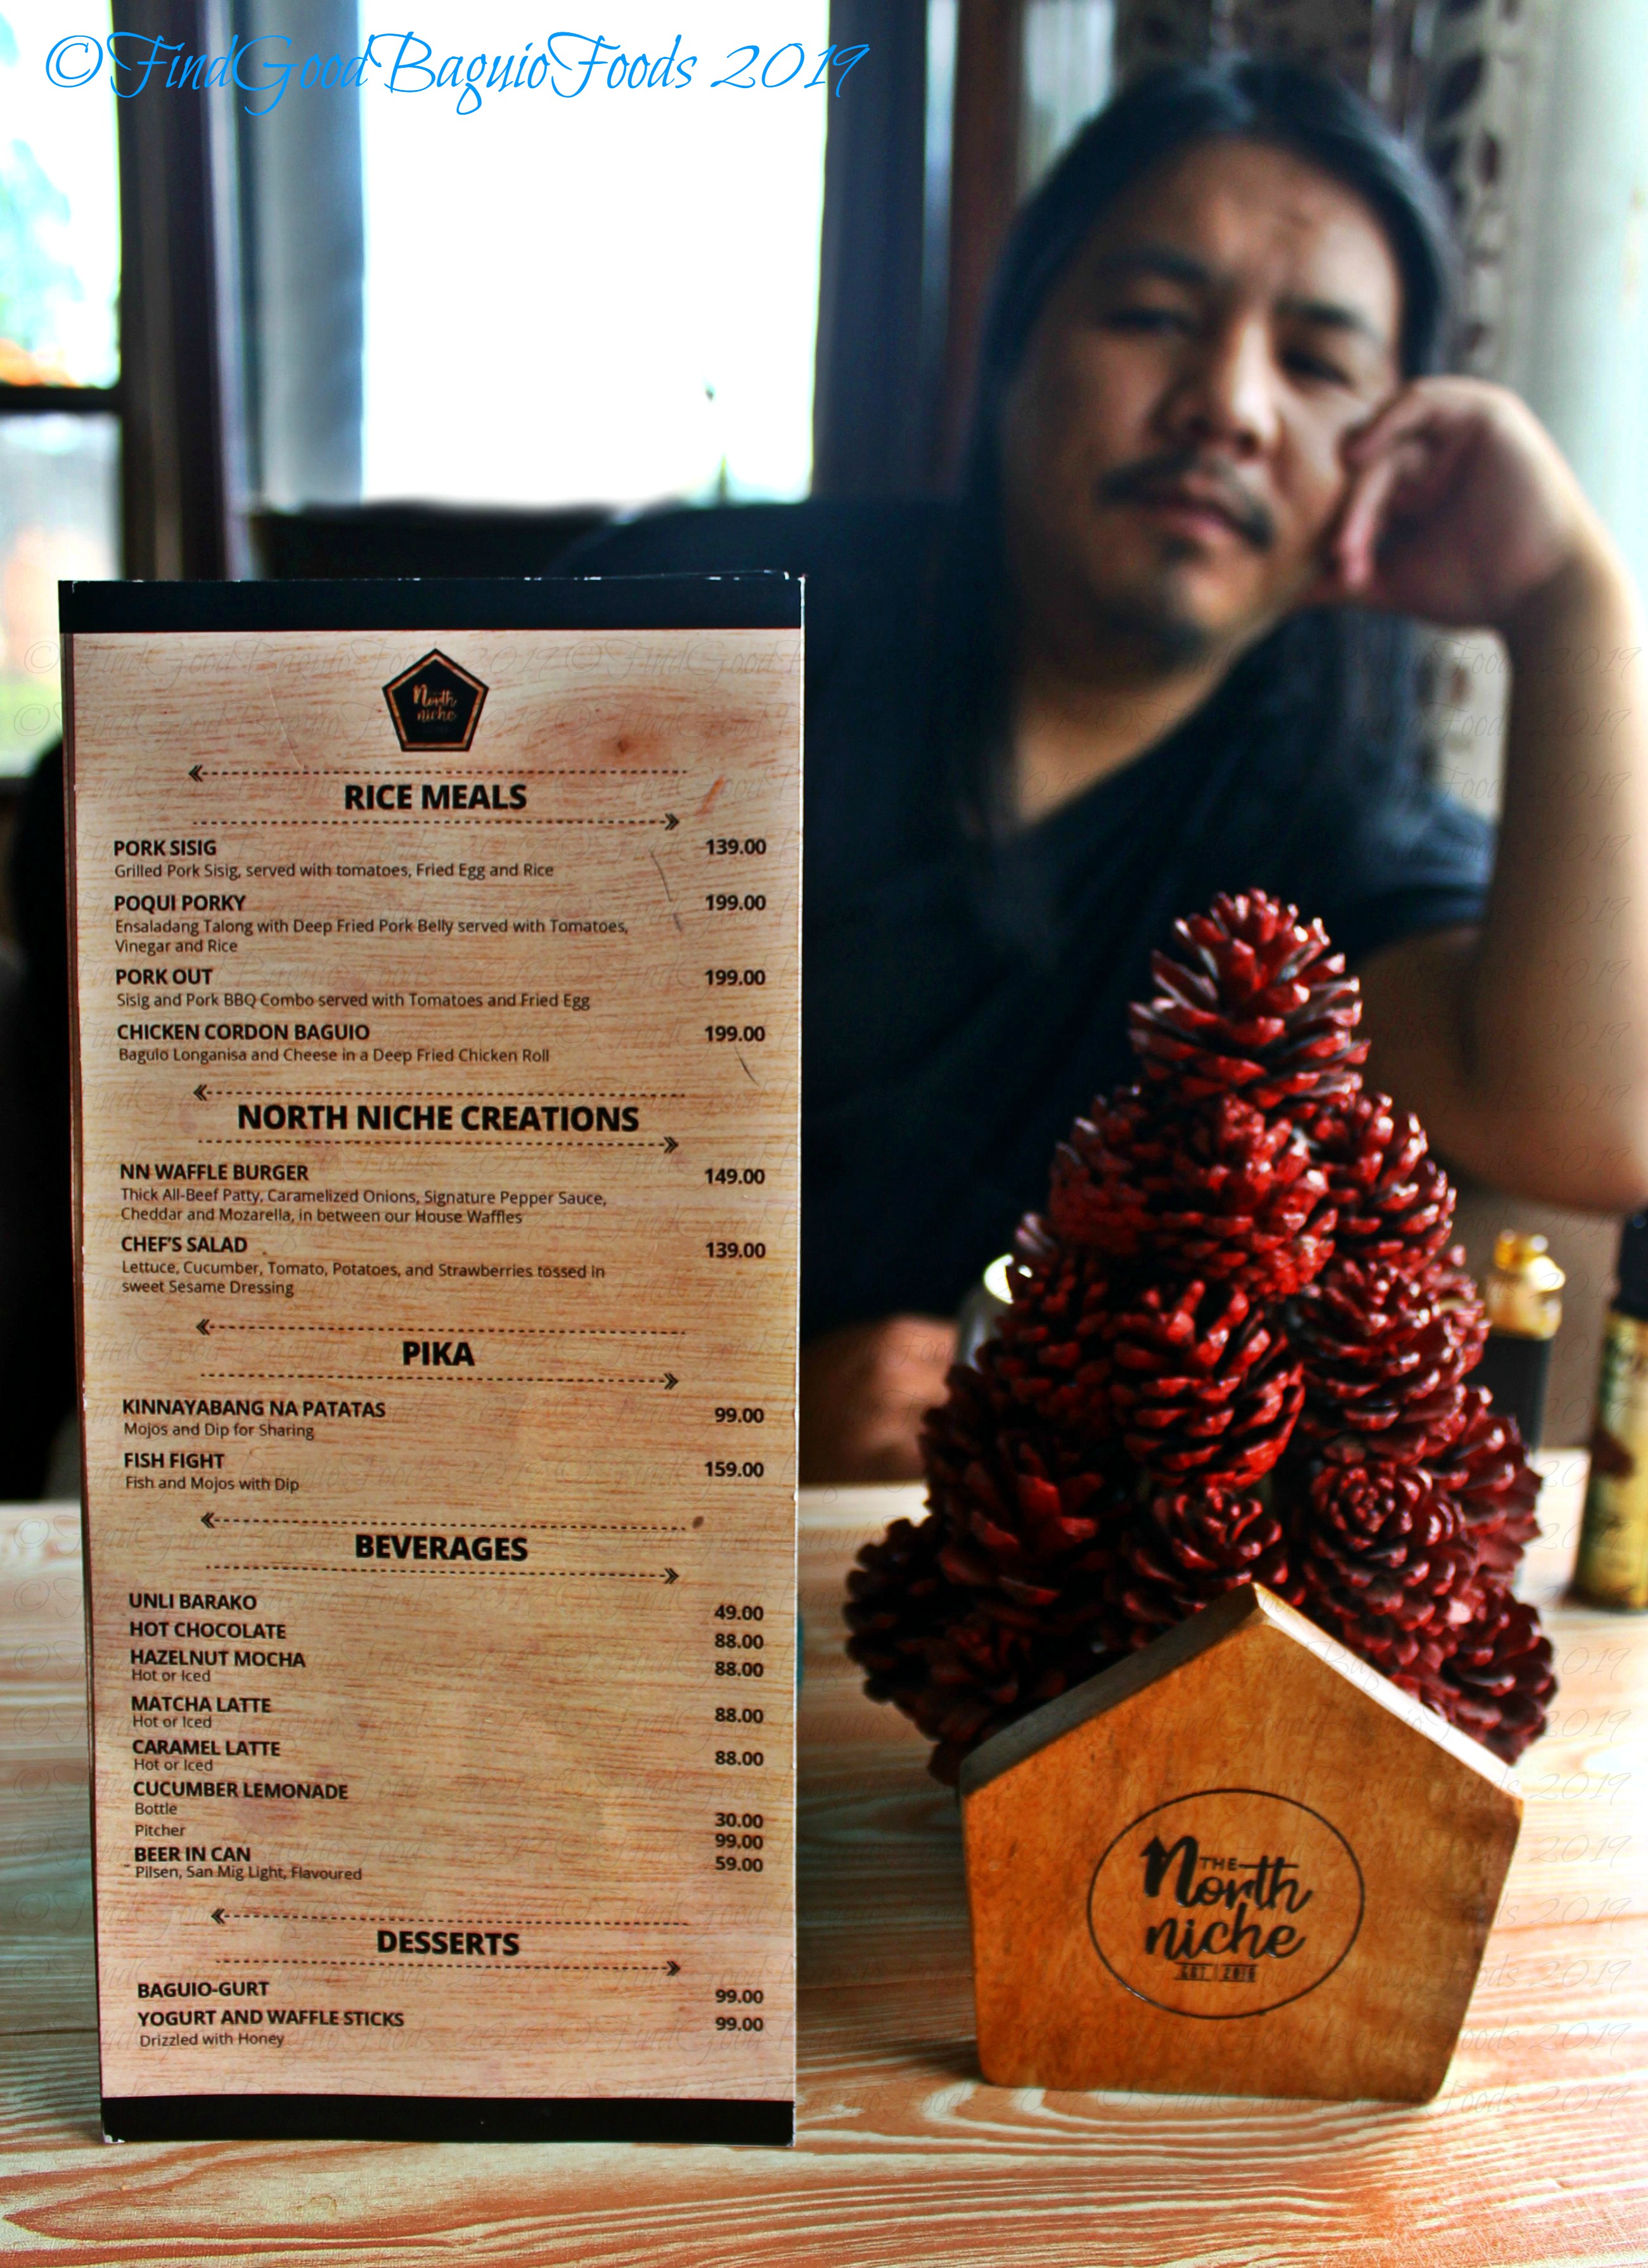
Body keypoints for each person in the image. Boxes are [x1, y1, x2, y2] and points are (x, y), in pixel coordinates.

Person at [566, 58, 1648, 1485]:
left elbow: (1597, 1126)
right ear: (1013, 343)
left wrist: (1567, 599)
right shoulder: (687, 635)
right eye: (1153, 317)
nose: (1228, 404)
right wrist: (718, 1411)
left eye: (1317, 365)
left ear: (1380, 456)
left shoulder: (1327, 829)